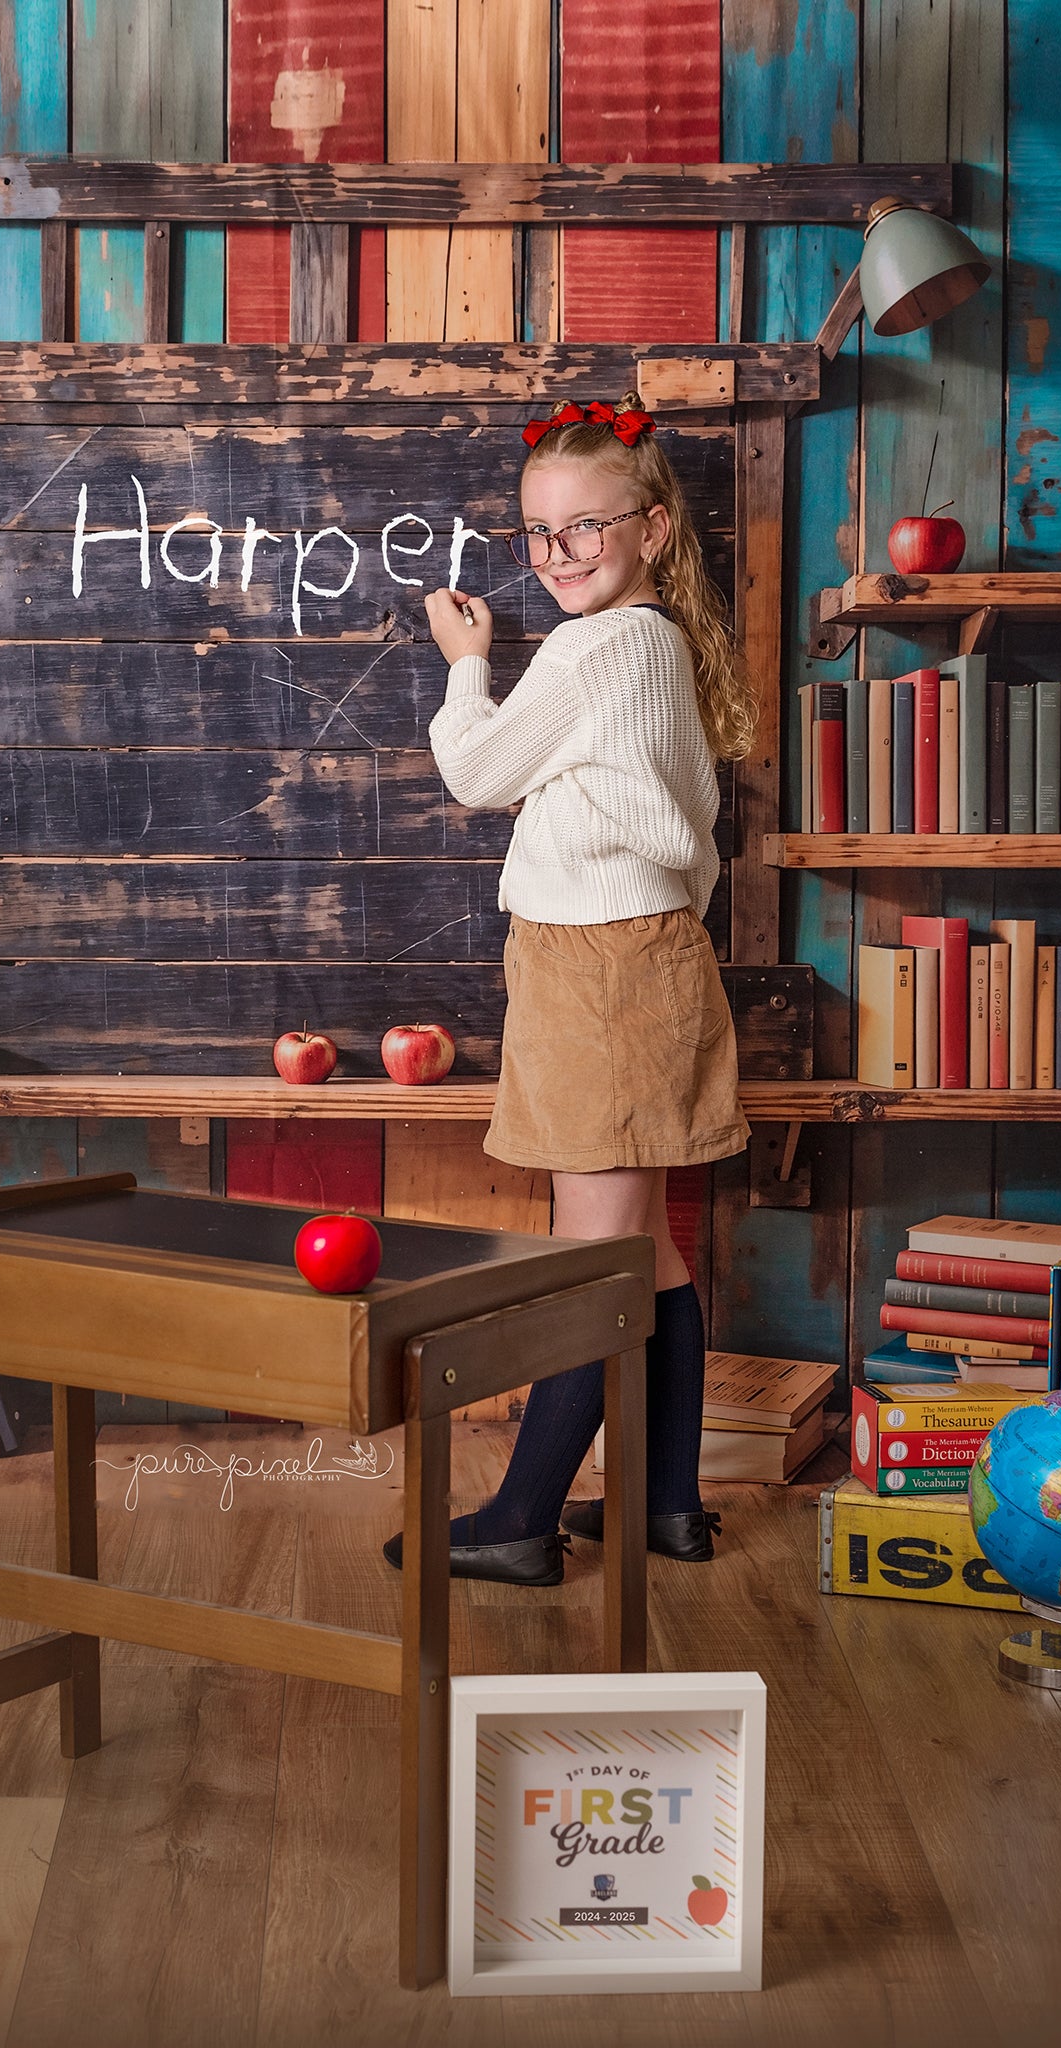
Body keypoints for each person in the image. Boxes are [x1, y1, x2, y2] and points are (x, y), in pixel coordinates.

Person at [382, 393, 756, 1587]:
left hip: (600, 966)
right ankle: (663, 1504)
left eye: (583, 529)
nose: (557, 559)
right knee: (642, 1250)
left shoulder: (600, 647)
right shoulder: (654, 642)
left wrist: (467, 663)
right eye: (539, 535)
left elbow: (479, 769)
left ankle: (520, 1517)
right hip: (632, 954)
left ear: (650, 527)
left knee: (592, 1257)